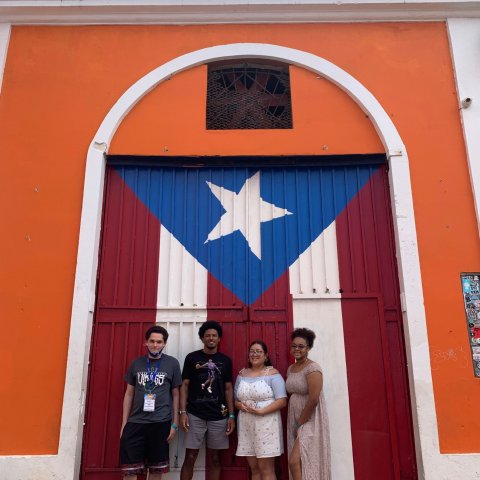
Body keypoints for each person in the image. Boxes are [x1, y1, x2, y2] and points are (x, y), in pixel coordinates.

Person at [120, 325, 182, 480]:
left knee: (156, 470)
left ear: (164, 343)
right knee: (130, 470)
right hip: (136, 422)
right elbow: (128, 394)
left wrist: (175, 423)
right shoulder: (136, 363)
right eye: (152, 341)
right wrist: (124, 424)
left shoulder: (172, 364)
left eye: (159, 342)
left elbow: (176, 395)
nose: (155, 345)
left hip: (160, 422)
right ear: (146, 342)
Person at [179, 320, 235, 480]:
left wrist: (231, 416)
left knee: (216, 459)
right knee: (189, 457)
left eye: (214, 335)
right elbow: (184, 386)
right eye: (207, 335)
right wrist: (183, 412)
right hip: (194, 414)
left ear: (219, 339)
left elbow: (228, 388)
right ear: (202, 338)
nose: (211, 338)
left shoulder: (225, 360)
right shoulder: (192, 358)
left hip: (219, 416)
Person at [234, 340, 287, 480]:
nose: (255, 354)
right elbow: (236, 400)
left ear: (266, 355)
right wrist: (239, 405)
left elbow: (282, 400)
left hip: (267, 424)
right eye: (252, 351)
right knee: (254, 468)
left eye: (259, 351)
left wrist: (261, 411)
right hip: (246, 424)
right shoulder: (242, 375)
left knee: (266, 469)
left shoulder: (272, 374)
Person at [286, 328, 331, 480]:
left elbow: (313, 399)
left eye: (301, 346)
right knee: (299, 462)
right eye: (294, 346)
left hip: (310, 419)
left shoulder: (313, 368)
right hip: (295, 417)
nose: (296, 349)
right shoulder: (290, 369)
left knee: (294, 461)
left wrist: (300, 424)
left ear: (308, 348)